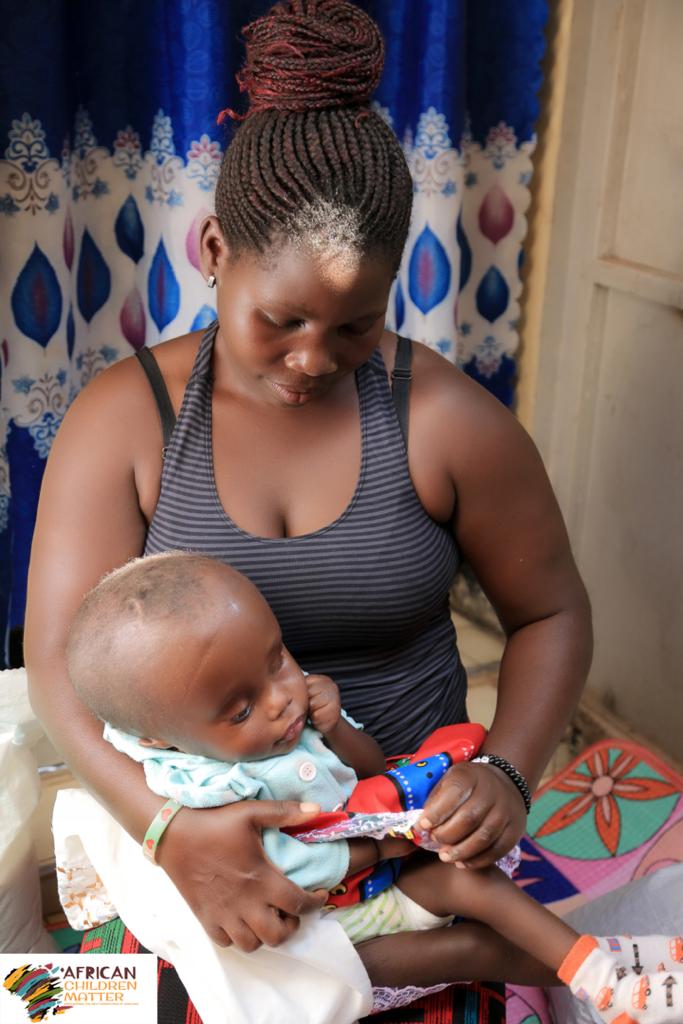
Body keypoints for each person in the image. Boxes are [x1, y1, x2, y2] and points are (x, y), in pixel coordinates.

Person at [25, 0, 592, 991]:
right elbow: (56, 663)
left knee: (456, 957)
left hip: (404, 840)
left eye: (354, 327)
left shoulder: (444, 422)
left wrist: (503, 771)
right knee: (85, 999)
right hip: (205, 841)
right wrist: (171, 833)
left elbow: (548, 609)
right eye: (278, 320)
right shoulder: (126, 423)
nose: (310, 359)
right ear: (212, 252)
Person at [64, 552, 683, 1023]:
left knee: (476, 886)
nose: (282, 699)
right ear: (161, 742)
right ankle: (604, 978)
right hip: (309, 936)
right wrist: (392, 845)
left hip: (373, 883)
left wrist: (337, 729)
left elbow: (369, 769)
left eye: (277, 658)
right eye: (240, 709)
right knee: (468, 950)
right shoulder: (200, 786)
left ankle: (607, 971)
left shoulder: (282, 713)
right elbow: (286, 879)